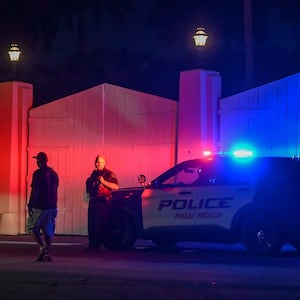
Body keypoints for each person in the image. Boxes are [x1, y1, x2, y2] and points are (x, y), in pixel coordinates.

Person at [26, 152, 59, 262]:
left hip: (39, 205)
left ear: (38, 161)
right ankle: (46, 253)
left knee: (31, 227)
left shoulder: (37, 173)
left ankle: (42, 247)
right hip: (52, 206)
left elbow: (35, 189)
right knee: (47, 230)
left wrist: (30, 204)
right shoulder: (54, 174)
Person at [85, 154, 119, 251]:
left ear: (104, 163)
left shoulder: (109, 174)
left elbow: (116, 187)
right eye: (96, 162)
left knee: (100, 224)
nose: (97, 164)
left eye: (99, 162)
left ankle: (99, 245)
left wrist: (104, 182)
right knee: (92, 224)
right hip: (93, 202)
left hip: (103, 203)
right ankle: (92, 245)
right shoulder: (93, 174)